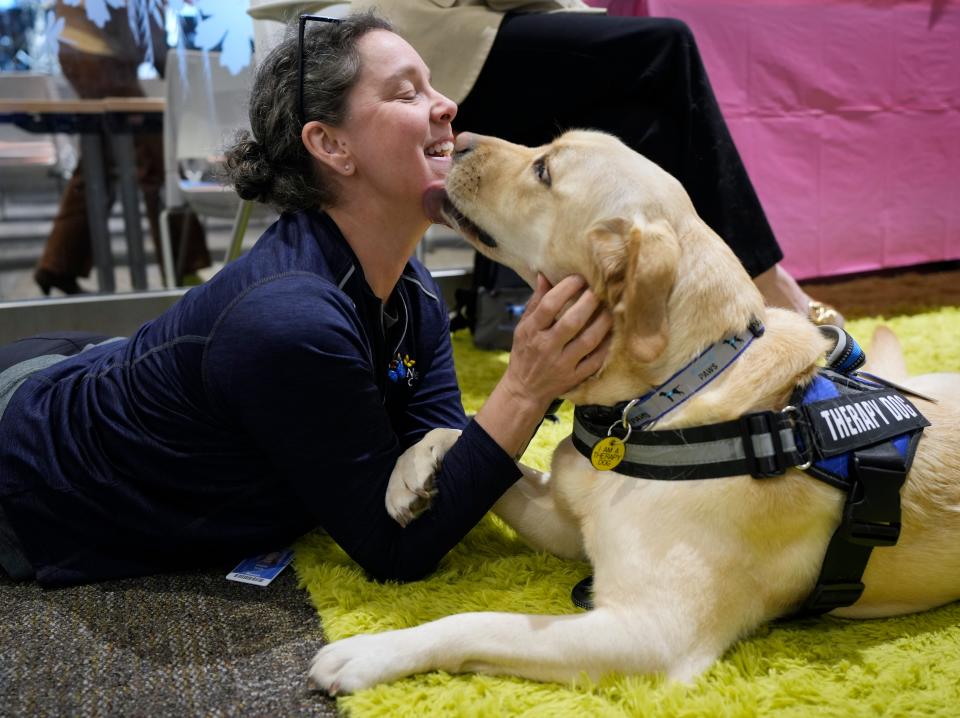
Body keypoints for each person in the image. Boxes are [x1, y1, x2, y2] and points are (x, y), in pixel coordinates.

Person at [0, 13, 611, 586]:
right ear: (331, 145)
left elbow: (441, 465)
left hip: (87, 365)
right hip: (26, 478)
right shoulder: (290, 323)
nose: (446, 105)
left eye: (432, 87)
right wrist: (525, 387)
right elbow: (395, 550)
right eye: (406, 93)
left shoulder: (412, 290)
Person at [352, 0, 842, 326]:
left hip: (488, 21)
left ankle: (675, 314)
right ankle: (765, 292)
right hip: (433, 26)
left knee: (643, 110)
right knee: (664, 47)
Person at [34, 0, 210, 295]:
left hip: (83, 48)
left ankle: (58, 265)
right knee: (158, 161)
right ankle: (184, 267)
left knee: (98, 163)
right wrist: (182, 81)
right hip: (98, 56)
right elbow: (152, 32)